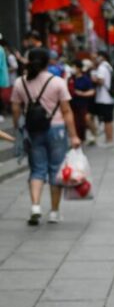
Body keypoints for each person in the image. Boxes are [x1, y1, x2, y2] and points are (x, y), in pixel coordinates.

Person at [10, 48, 81, 225]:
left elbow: (15, 109)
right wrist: (74, 136)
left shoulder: (20, 82)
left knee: (37, 169)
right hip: (56, 129)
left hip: (33, 130)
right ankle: (54, 212)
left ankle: (35, 207)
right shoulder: (57, 82)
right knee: (55, 170)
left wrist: (18, 126)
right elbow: (66, 111)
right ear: (48, 62)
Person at [91, 51, 114, 146]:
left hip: (104, 97)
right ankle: (110, 139)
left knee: (107, 120)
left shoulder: (102, 68)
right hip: (108, 97)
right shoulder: (108, 66)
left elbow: (100, 81)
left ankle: (109, 139)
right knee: (108, 119)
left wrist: (94, 78)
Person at [68, 60, 95, 145]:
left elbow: (92, 91)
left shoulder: (85, 79)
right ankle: (77, 138)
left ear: (79, 68)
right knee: (74, 121)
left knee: (85, 120)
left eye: (74, 67)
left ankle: (93, 134)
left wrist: (82, 93)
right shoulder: (70, 78)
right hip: (72, 103)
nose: (73, 69)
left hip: (83, 103)